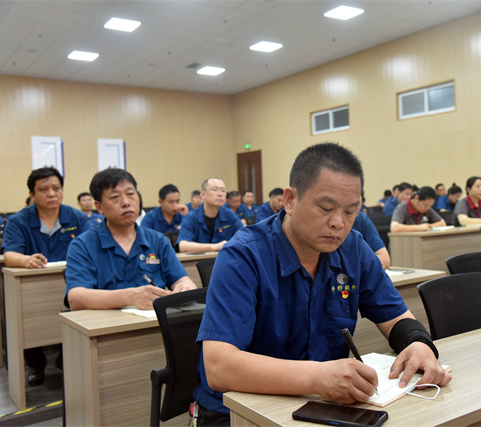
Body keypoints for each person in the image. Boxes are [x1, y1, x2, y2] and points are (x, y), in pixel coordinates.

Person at [193, 143, 450, 426]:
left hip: (324, 407)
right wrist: (318, 377)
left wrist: (418, 343)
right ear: (290, 200)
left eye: (351, 212)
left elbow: (397, 318)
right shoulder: (243, 256)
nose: (338, 223)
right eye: (326, 208)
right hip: (238, 413)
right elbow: (219, 366)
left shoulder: (353, 249)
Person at [3, 167, 91, 386]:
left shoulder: (77, 217)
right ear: (32, 194)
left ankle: (65, 357)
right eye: (44, 190)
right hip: (34, 286)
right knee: (26, 318)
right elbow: (9, 254)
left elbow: (93, 247)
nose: (52, 194)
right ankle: (36, 363)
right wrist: (25, 260)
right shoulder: (19, 221)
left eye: (56, 188)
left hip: (74, 281)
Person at [65, 169, 197, 310]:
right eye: (115, 197)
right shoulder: (83, 244)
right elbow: (75, 298)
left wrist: (184, 288)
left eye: (130, 194)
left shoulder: (157, 240)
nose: (126, 202)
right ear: (99, 207)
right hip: (106, 322)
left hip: (153, 320)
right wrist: (130, 297)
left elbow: (184, 281)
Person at [178, 178, 244, 253]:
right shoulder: (191, 216)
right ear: (203, 194)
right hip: (200, 259)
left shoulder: (229, 214)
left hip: (225, 258)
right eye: (215, 190)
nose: (220, 194)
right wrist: (213, 247)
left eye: (223, 191)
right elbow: (182, 246)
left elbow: (244, 237)